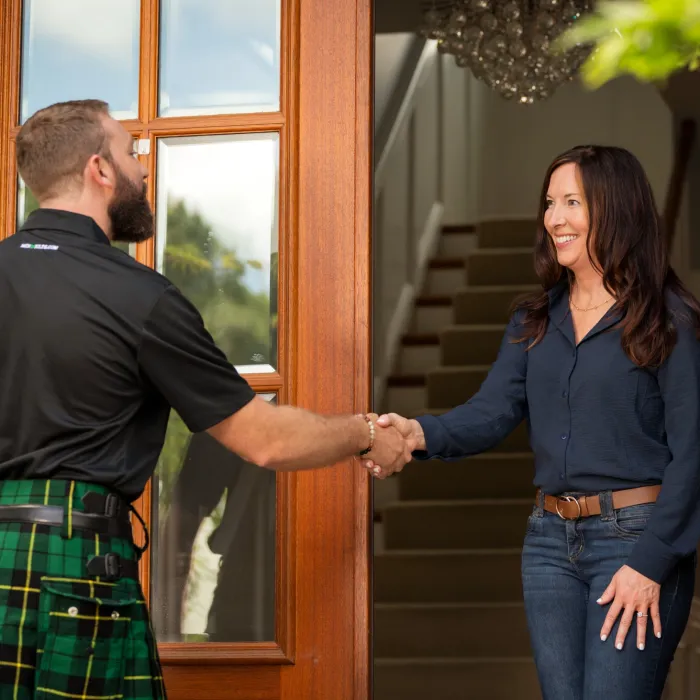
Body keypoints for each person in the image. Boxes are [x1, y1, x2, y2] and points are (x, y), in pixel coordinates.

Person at [0, 99, 408, 700]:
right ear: (99, 170)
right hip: (73, 563)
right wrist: (368, 433)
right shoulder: (139, 298)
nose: (144, 169)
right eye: (132, 153)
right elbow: (263, 440)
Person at [362, 145, 700, 700]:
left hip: (635, 541)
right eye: (549, 203)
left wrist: (652, 562)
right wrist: (416, 434)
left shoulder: (667, 320)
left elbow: (693, 454)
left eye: (573, 202)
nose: (554, 219)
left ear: (617, 208)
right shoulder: (535, 319)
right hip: (548, 544)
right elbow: (492, 411)